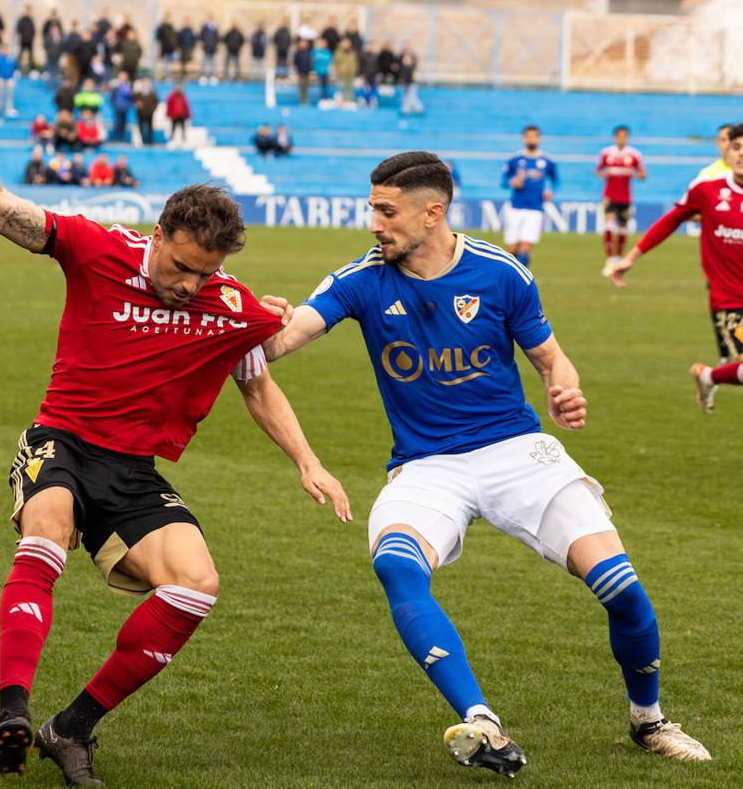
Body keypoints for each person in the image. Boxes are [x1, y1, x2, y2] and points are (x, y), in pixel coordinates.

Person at [0, 54, 348, 786]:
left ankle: (70, 728)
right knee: (47, 531)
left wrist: (307, 460)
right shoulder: (94, 248)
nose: (188, 286)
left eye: (202, 275)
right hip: (60, 442)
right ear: (158, 233)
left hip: (134, 471)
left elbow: (258, 379)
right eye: (179, 266)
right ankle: (13, 711)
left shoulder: (225, 301)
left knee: (195, 584)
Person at [262, 150, 711, 778]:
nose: (374, 223)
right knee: (396, 564)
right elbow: (282, 343)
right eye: (372, 208)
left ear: (432, 213)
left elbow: (552, 358)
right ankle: (481, 720)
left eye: (386, 211)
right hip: (426, 466)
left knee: (623, 590)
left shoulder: (501, 272)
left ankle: (649, 719)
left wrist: (564, 387)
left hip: (517, 454)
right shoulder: (359, 279)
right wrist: (257, 320)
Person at [608, 123, 743, 412]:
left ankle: (708, 376)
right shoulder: (707, 190)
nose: (741, 154)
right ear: (727, 152)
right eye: (736, 147)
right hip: (731, 302)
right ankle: (711, 375)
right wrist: (630, 258)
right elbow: (671, 220)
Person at [501, 125, 558, 267]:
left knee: (524, 250)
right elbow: (503, 180)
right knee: (511, 251)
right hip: (515, 207)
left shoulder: (547, 160)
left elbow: (556, 179)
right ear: (524, 138)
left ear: (539, 138)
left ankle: (520, 283)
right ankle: (515, 274)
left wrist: (551, 190)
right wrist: (511, 182)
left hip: (535, 209)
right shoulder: (515, 159)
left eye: (535, 136)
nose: (532, 139)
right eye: (529, 136)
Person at [596, 126, 646, 276]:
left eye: (625, 136)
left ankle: (618, 258)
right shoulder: (606, 153)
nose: (622, 139)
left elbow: (643, 175)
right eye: (619, 136)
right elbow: (598, 170)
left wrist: (634, 174)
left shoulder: (634, 155)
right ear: (615, 138)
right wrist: (605, 174)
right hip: (609, 195)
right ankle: (610, 260)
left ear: (627, 138)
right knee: (609, 225)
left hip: (625, 197)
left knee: (623, 227)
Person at [108, 72, 132, 142]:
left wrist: (128, 105)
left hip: (125, 108)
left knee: (124, 123)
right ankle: (116, 138)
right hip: (118, 107)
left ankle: (122, 138)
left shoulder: (129, 86)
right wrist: (114, 105)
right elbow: (112, 97)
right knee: (117, 123)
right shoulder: (116, 86)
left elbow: (131, 97)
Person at [311, 37, 332, 103]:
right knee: (319, 86)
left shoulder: (327, 52)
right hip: (317, 72)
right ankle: (319, 99)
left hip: (325, 71)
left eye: (322, 43)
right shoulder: (314, 52)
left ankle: (325, 99)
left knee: (325, 86)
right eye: (319, 43)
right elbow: (312, 61)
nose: (321, 45)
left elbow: (329, 61)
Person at [294, 39, 313, 105]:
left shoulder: (308, 52)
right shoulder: (298, 52)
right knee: (301, 86)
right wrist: (297, 68)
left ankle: (305, 98)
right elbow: (295, 61)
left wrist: (310, 68)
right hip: (300, 71)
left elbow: (310, 61)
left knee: (306, 86)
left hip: (307, 72)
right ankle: (302, 99)